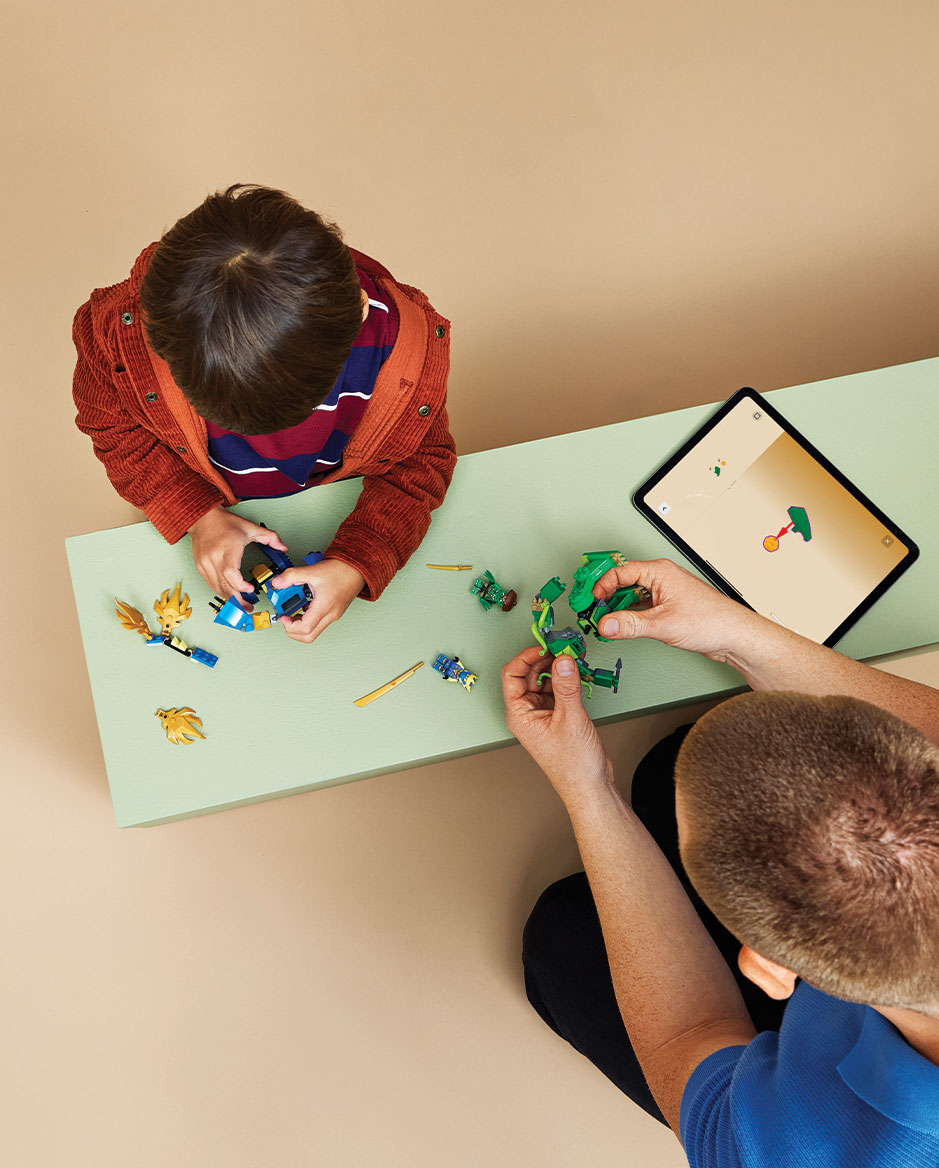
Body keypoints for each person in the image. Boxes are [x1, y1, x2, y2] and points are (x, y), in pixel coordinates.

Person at [502, 557, 939, 1164]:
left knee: (560, 938)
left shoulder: (796, 1148)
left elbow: (689, 1036)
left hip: (798, 1093)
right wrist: (734, 633)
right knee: (672, 768)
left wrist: (589, 791)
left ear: (773, 970)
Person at [72, 184, 456, 644]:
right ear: (156, 332)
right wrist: (197, 514)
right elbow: (114, 427)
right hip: (210, 497)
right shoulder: (122, 342)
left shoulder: (404, 356)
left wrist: (359, 561)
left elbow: (421, 461)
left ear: (358, 309)